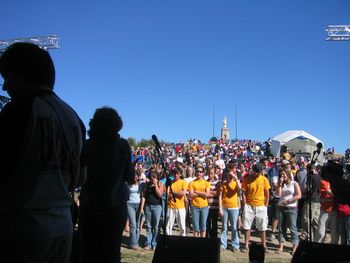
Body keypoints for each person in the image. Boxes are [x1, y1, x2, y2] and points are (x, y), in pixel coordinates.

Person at [0, 42, 86, 263]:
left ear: (21, 75)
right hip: (62, 225)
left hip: (21, 226)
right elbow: (81, 177)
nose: (4, 87)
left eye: (6, 77)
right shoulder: (73, 117)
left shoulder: (18, 110)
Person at [79, 107, 133, 263]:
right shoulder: (123, 145)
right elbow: (129, 177)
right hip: (115, 206)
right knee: (112, 253)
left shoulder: (87, 145)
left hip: (90, 205)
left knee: (89, 251)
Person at [241, 164, 271, 253]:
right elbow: (243, 193)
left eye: (260, 172)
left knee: (262, 227)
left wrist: (266, 203)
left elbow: (267, 192)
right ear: (253, 171)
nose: (259, 174)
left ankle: (264, 245)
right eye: (257, 172)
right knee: (247, 227)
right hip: (249, 205)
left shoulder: (264, 179)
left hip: (261, 206)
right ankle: (246, 245)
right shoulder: (246, 179)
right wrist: (245, 204)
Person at [275, 169, 301, 255]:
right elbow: (278, 194)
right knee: (281, 227)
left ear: (288, 175)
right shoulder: (281, 184)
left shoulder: (294, 183)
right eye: (281, 175)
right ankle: (281, 246)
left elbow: (299, 195)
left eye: (284, 174)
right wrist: (279, 184)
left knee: (293, 227)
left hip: (291, 208)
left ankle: (295, 247)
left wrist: (289, 201)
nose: (282, 176)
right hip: (281, 207)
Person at [140, 171, 164, 250]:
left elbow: (159, 195)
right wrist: (142, 207)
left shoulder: (160, 184)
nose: (152, 179)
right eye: (151, 177)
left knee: (156, 226)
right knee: (149, 226)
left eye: (154, 177)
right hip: (148, 206)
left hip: (157, 207)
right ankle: (148, 243)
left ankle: (154, 243)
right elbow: (144, 196)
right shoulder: (147, 185)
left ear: (157, 177)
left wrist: (156, 185)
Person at [218, 168, 241, 252]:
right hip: (224, 207)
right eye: (228, 175)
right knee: (224, 227)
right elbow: (220, 196)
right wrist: (220, 208)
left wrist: (235, 176)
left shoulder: (235, 183)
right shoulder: (223, 184)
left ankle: (235, 245)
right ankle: (223, 244)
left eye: (231, 176)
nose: (230, 177)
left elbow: (240, 188)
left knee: (234, 227)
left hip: (234, 208)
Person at [188, 166, 211, 238]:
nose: (199, 173)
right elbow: (191, 194)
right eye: (198, 171)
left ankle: (202, 242)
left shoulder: (206, 183)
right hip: (194, 206)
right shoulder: (191, 183)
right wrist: (202, 193)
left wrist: (196, 192)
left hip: (204, 206)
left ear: (203, 173)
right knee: (195, 226)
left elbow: (207, 194)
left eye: (200, 171)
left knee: (203, 226)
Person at [166, 167, 188, 236]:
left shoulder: (183, 182)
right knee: (168, 226)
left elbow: (183, 193)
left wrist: (173, 193)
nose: (176, 175)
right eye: (174, 173)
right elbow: (168, 194)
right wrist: (176, 193)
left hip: (180, 207)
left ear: (180, 174)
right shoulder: (170, 183)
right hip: (170, 206)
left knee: (182, 226)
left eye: (177, 174)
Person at [127, 172, 146, 249]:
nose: (135, 178)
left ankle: (136, 241)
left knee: (137, 225)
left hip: (138, 204)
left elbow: (143, 196)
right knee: (133, 224)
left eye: (136, 177)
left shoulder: (141, 184)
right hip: (129, 204)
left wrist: (141, 207)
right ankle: (133, 243)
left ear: (138, 177)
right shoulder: (128, 184)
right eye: (133, 177)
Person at [206, 166, 220, 238]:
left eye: (211, 173)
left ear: (214, 174)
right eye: (209, 173)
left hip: (215, 206)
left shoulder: (217, 183)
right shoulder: (205, 182)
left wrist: (208, 191)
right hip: (206, 206)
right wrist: (212, 192)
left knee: (214, 223)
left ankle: (214, 238)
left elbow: (218, 193)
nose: (210, 175)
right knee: (207, 223)